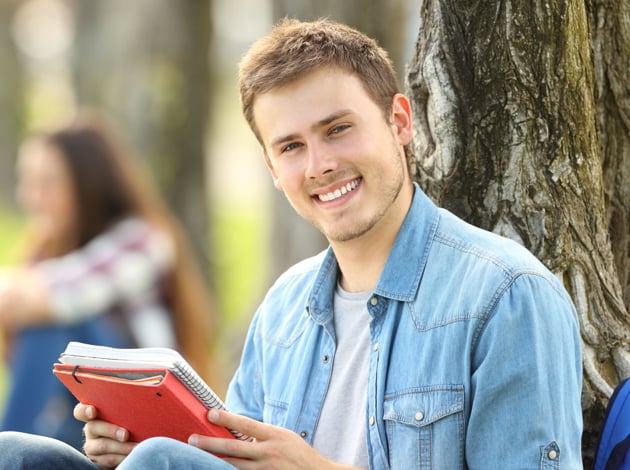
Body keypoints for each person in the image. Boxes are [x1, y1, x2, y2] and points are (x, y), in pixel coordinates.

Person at [0, 18, 583, 469]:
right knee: (18, 454)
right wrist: (141, 451)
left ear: (400, 123)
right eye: (291, 147)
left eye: (338, 129)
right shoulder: (283, 309)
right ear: (273, 169)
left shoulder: (506, 295)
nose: (320, 165)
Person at [0, 111, 214, 450]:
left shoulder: (142, 240)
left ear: (87, 183)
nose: (31, 197)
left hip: (152, 425)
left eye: (47, 182)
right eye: (26, 182)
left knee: (54, 326)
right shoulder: (43, 252)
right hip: (84, 428)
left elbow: (61, 297)